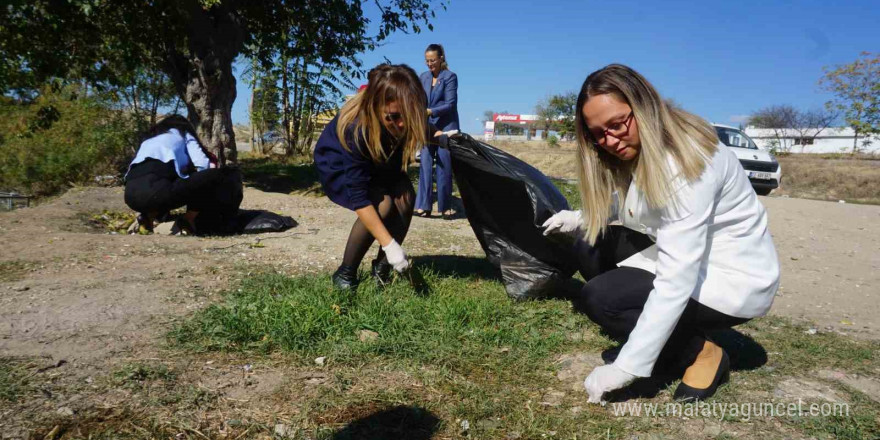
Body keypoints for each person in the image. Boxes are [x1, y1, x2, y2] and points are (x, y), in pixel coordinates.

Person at [543, 64, 780, 402]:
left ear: (643, 105)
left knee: (602, 299)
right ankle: (667, 332)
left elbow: (676, 278)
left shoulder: (687, 162)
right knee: (590, 240)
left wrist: (629, 364)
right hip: (694, 259)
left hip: (731, 278)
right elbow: (635, 200)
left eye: (616, 124)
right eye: (597, 133)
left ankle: (702, 353)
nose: (608, 140)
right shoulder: (648, 146)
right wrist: (581, 216)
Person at [314, 64, 445, 290]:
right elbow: (359, 198)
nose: (402, 125)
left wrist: (444, 138)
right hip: (339, 165)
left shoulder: (400, 117)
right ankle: (346, 272)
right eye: (393, 117)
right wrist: (390, 244)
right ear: (375, 106)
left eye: (407, 116)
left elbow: (422, 127)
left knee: (405, 197)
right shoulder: (356, 128)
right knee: (381, 205)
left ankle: (382, 267)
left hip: (380, 159)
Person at [124, 115, 242, 235]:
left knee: (160, 184)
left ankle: (147, 216)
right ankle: (188, 219)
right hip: (157, 193)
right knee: (223, 174)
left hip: (130, 197)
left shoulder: (149, 140)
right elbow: (202, 164)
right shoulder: (182, 133)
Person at [414, 44, 460, 220]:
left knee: (443, 165)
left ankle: (445, 207)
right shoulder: (423, 77)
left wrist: (430, 111)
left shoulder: (450, 77)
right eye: (427, 61)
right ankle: (423, 206)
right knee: (425, 163)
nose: (429, 64)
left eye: (432, 60)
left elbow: (450, 104)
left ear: (441, 58)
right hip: (427, 127)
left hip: (446, 127)